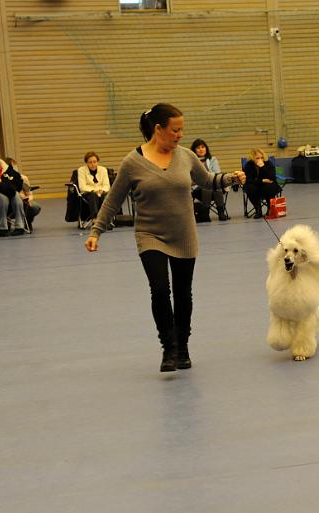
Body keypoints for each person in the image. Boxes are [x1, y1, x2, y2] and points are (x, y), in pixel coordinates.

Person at [84, 103, 245, 372]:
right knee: (160, 290)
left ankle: (183, 348)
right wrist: (96, 231)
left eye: (182, 129)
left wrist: (230, 178)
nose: (180, 135)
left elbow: (206, 181)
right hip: (150, 235)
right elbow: (113, 199)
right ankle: (168, 348)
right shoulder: (132, 162)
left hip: (184, 234)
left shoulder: (185, 157)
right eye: (175, 130)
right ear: (158, 129)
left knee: (183, 295)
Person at [190, 138, 228, 221]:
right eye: (198, 148)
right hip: (198, 188)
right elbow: (191, 178)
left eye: (203, 147)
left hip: (213, 185)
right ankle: (205, 213)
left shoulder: (213, 159)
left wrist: (207, 178)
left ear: (206, 148)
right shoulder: (192, 161)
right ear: (194, 150)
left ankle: (221, 213)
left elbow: (217, 173)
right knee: (207, 187)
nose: (201, 149)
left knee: (215, 186)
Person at [242, 148, 280, 219]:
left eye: (262, 157)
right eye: (257, 158)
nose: (260, 160)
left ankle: (270, 209)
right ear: (253, 159)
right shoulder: (248, 165)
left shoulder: (268, 163)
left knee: (268, 186)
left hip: (269, 187)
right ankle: (258, 210)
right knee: (249, 187)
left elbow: (272, 177)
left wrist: (262, 167)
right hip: (256, 187)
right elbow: (249, 180)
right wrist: (262, 181)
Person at [6, 157, 41, 229]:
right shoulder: (3, 179)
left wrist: (29, 200)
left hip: (24, 202)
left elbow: (29, 193)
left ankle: (28, 221)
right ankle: (7, 222)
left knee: (35, 207)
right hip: (10, 204)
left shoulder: (23, 178)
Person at [77, 152, 111, 221]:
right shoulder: (81, 170)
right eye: (90, 162)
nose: (93, 164)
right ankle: (95, 218)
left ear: (97, 162)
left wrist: (102, 190)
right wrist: (94, 190)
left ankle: (106, 218)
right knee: (93, 195)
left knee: (106, 195)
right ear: (86, 163)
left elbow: (107, 185)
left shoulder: (103, 170)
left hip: (101, 192)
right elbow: (82, 186)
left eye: (95, 162)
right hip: (88, 193)